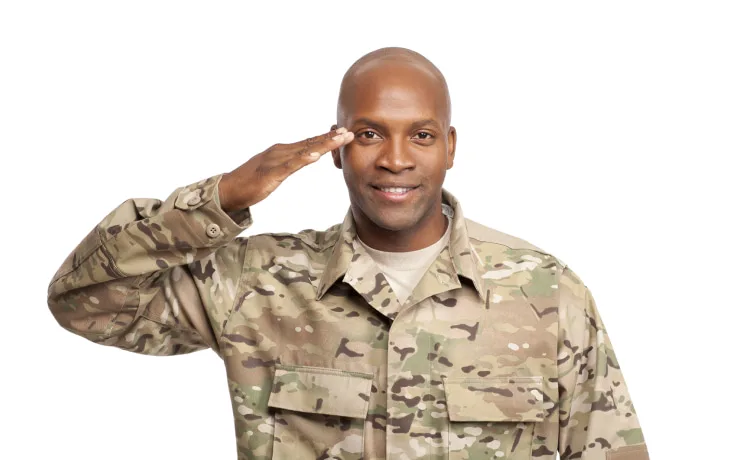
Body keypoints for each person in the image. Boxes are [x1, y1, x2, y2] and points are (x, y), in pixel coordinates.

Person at [47, 47, 650, 460]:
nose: (394, 158)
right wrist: (221, 199)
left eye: (421, 134)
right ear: (334, 149)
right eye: (367, 134)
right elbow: (83, 303)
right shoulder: (255, 283)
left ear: (450, 147)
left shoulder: (546, 292)